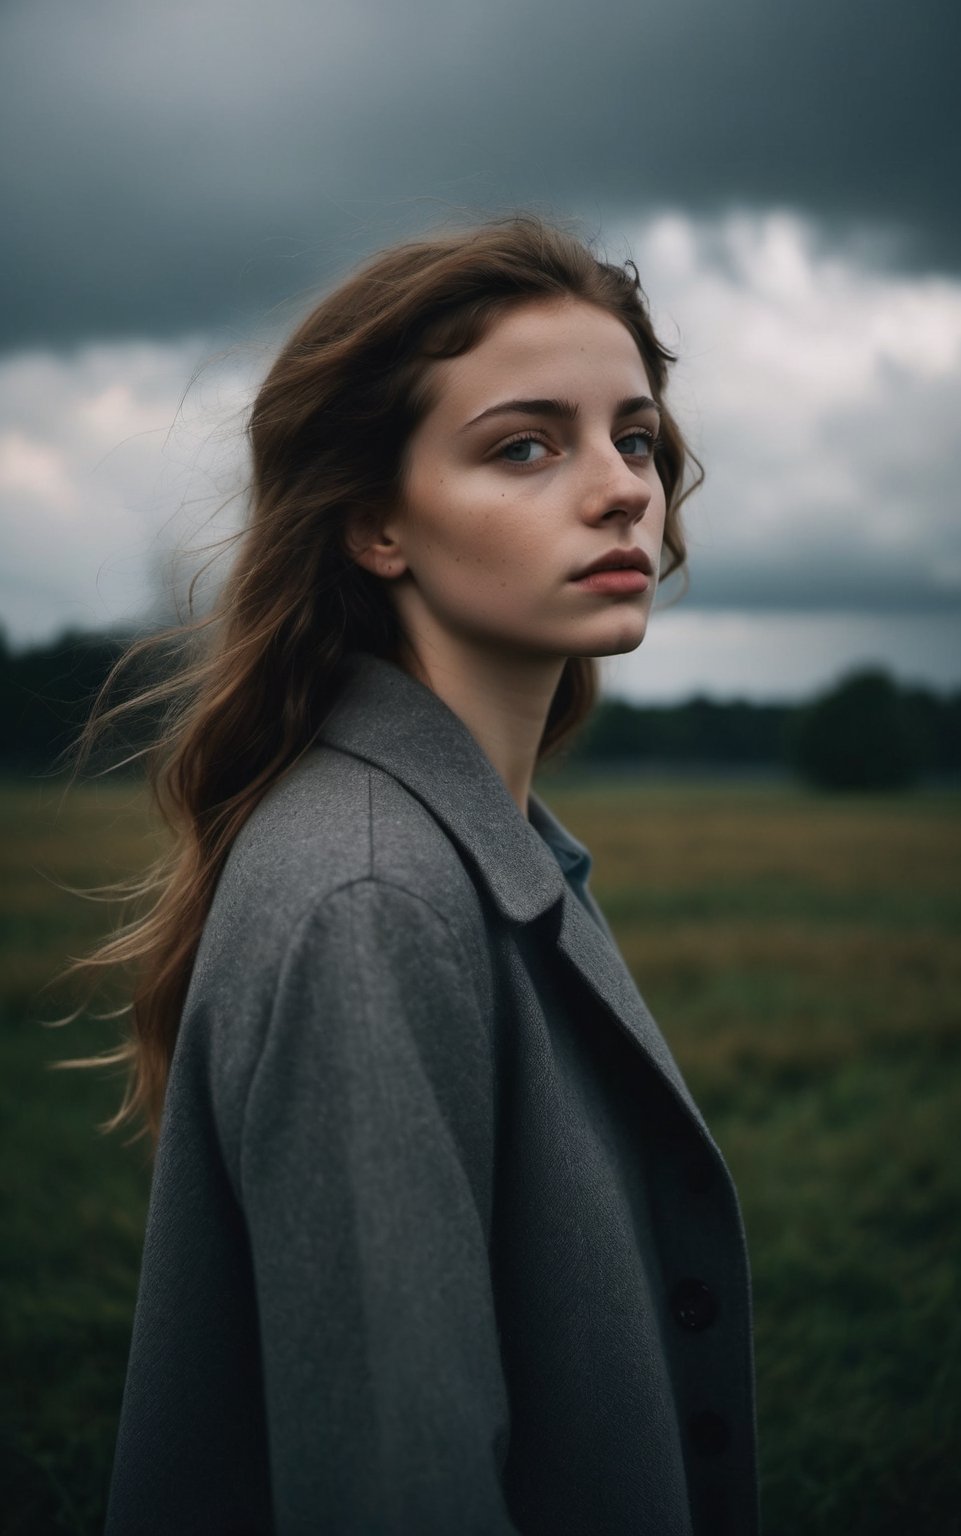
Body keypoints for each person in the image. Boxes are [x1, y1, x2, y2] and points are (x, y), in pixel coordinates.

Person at [92, 215, 759, 1534]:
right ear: (375, 528)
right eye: (525, 445)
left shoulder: (478, 845)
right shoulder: (374, 898)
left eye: (634, 435)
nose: (623, 485)